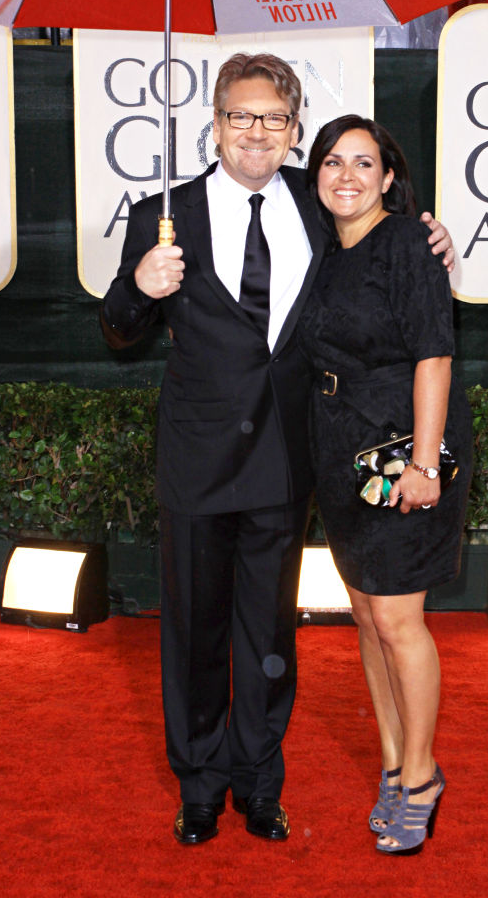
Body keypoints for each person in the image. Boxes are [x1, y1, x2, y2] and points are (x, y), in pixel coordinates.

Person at [100, 54, 454, 846]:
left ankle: (261, 783)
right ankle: (199, 785)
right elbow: (118, 329)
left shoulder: (317, 200)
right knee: (193, 632)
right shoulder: (166, 213)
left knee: (268, 637)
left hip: (289, 461)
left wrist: (428, 232)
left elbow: (381, 252)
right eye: (240, 116)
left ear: (295, 131)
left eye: (274, 119)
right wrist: (139, 286)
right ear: (215, 123)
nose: (256, 131)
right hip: (196, 460)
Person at [297, 115, 473, 855]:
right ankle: (396, 763)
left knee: (400, 621)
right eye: (333, 163)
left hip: (404, 451)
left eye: (364, 164)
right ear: (316, 178)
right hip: (342, 452)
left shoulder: (405, 242)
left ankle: (425, 776)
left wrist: (425, 465)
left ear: (390, 178)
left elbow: (435, 352)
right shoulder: (325, 253)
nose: (347, 176)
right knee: (368, 617)